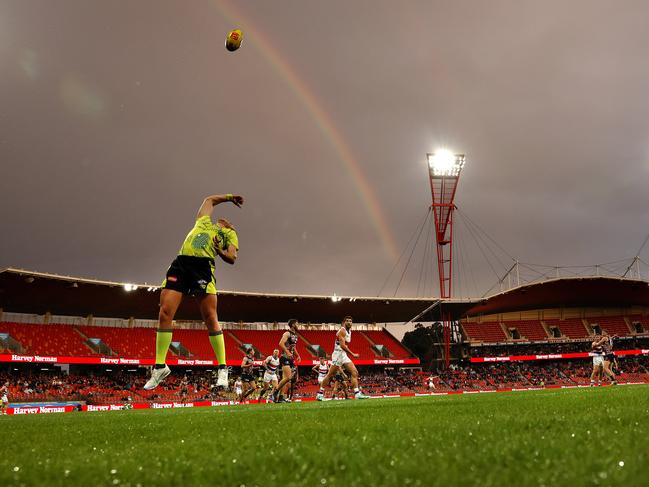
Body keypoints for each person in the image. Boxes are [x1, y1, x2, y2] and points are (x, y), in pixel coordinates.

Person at [144, 193, 243, 391]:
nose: (226, 219)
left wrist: (220, 250)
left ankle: (223, 369)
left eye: (229, 220)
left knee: (209, 316)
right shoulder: (203, 221)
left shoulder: (230, 233)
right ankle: (159, 367)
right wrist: (229, 197)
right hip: (181, 263)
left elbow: (232, 257)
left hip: (202, 267)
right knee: (164, 312)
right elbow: (209, 200)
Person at [317, 316, 369, 400]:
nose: (349, 322)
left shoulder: (349, 331)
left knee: (354, 372)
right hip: (338, 355)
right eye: (347, 321)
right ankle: (319, 394)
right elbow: (342, 345)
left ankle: (357, 394)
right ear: (344, 322)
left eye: (351, 321)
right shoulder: (342, 331)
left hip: (343, 355)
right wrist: (352, 354)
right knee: (330, 375)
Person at [273, 319, 301, 403]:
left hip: (290, 358)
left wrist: (298, 355)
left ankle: (280, 398)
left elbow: (293, 347)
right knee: (288, 378)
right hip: (284, 357)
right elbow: (281, 343)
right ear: (292, 325)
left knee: (286, 380)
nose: (298, 325)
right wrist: (288, 352)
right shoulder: (287, 333)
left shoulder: (295, 335)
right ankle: (275, 392)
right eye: (297, 324)